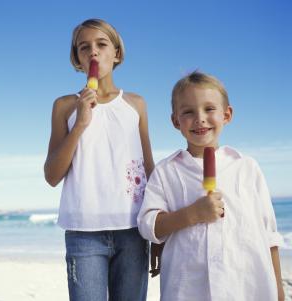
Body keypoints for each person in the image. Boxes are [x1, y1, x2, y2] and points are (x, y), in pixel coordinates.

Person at [137, 71, 284, 300]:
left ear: (227, 115)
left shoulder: (247, 168)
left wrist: (279, 292)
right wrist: (191, 214)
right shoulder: (166, 171)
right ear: (176, 121)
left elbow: (269, 235)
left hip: (244, 289)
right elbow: (148, 225)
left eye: (209, 109)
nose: (200, 118)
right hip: (188, 290)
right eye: (188, 112)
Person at [44, 19, 154, 301]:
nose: (93, 51)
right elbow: (52, 175)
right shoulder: (65, 106)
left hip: (133, 230)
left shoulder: (136, 104)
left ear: (116, 53)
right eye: (84, 47)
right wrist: (81, 123)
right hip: (83, 232)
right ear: (77, 59)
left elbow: (149, 168)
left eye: (101, 44)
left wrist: (159, 234)